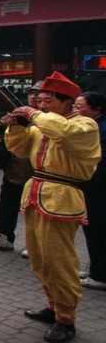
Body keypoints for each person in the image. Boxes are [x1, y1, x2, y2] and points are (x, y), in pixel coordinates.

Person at [6, 71, 100, 343]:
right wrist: (16, 126)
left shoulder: (83, 125)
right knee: (39, 258)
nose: (42, 105)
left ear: (67, 102)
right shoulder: (42, 124)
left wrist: (34, 115)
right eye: (39, 100)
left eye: (48, 100)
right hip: (37, 192)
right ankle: (53, 306)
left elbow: (62, 131)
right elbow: (20, 149)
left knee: (59, 260)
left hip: (62, 195)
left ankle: (66, 319)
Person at [0, 82, 39, 252]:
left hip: (36, 174)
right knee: (7, 207)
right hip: (14, 170)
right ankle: (4, 238)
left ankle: (34, 246)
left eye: (38, 94)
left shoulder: (49, 119)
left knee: (34, 213)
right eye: (31, 93)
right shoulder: (18, 112)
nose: (34, 97)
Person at [75, 92, 106, 291]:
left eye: (80, 107)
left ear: (97, 109)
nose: (76, 110)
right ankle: (95, 268)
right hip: (93, 185)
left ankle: (100, 274)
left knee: (98, 229)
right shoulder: (94, 125)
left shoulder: (100, 128)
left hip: (98, 186)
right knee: (92, 228)